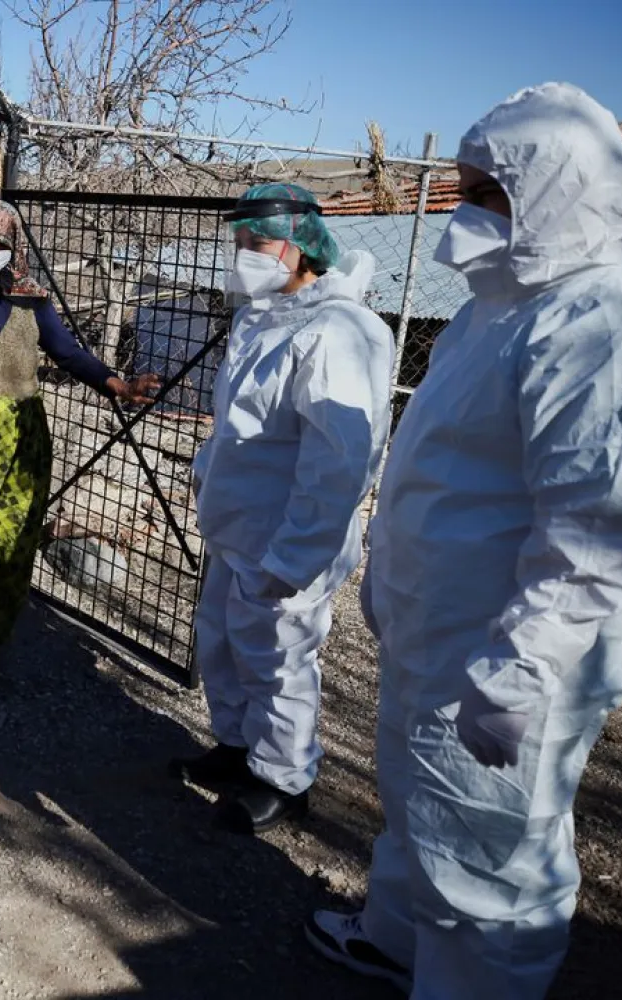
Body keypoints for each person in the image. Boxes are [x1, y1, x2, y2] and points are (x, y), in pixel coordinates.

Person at [306, 83, 622, 999]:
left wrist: (523, 668)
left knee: (493, 858)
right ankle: (398, 940)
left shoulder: (616, 326)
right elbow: (447, 468)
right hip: (442, 626)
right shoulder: (498, 308)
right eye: (462, 187)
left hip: (509, 651)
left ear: (557, 191)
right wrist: (390, 572)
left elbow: (597, 530)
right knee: (420, 805)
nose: (463, 211)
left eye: (487, 191)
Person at [172, 183, 394, 833]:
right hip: (236, 524)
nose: (245, 252)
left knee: (280, 657)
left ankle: (283, 776)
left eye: (259, 240)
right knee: (223, 645)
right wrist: (208, 479)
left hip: (286, 537)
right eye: (239, 239)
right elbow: (236, 425)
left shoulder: (342, 330)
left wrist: (296, 553)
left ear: (302, 248)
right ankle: (238, 747)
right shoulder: (258, 317)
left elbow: (337, 461)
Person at [0, 199, 158, 677]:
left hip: (17, 439)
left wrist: (116, 383)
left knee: (9, 543)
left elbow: (69, 354)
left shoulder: (33, 301)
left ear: (13, 246)